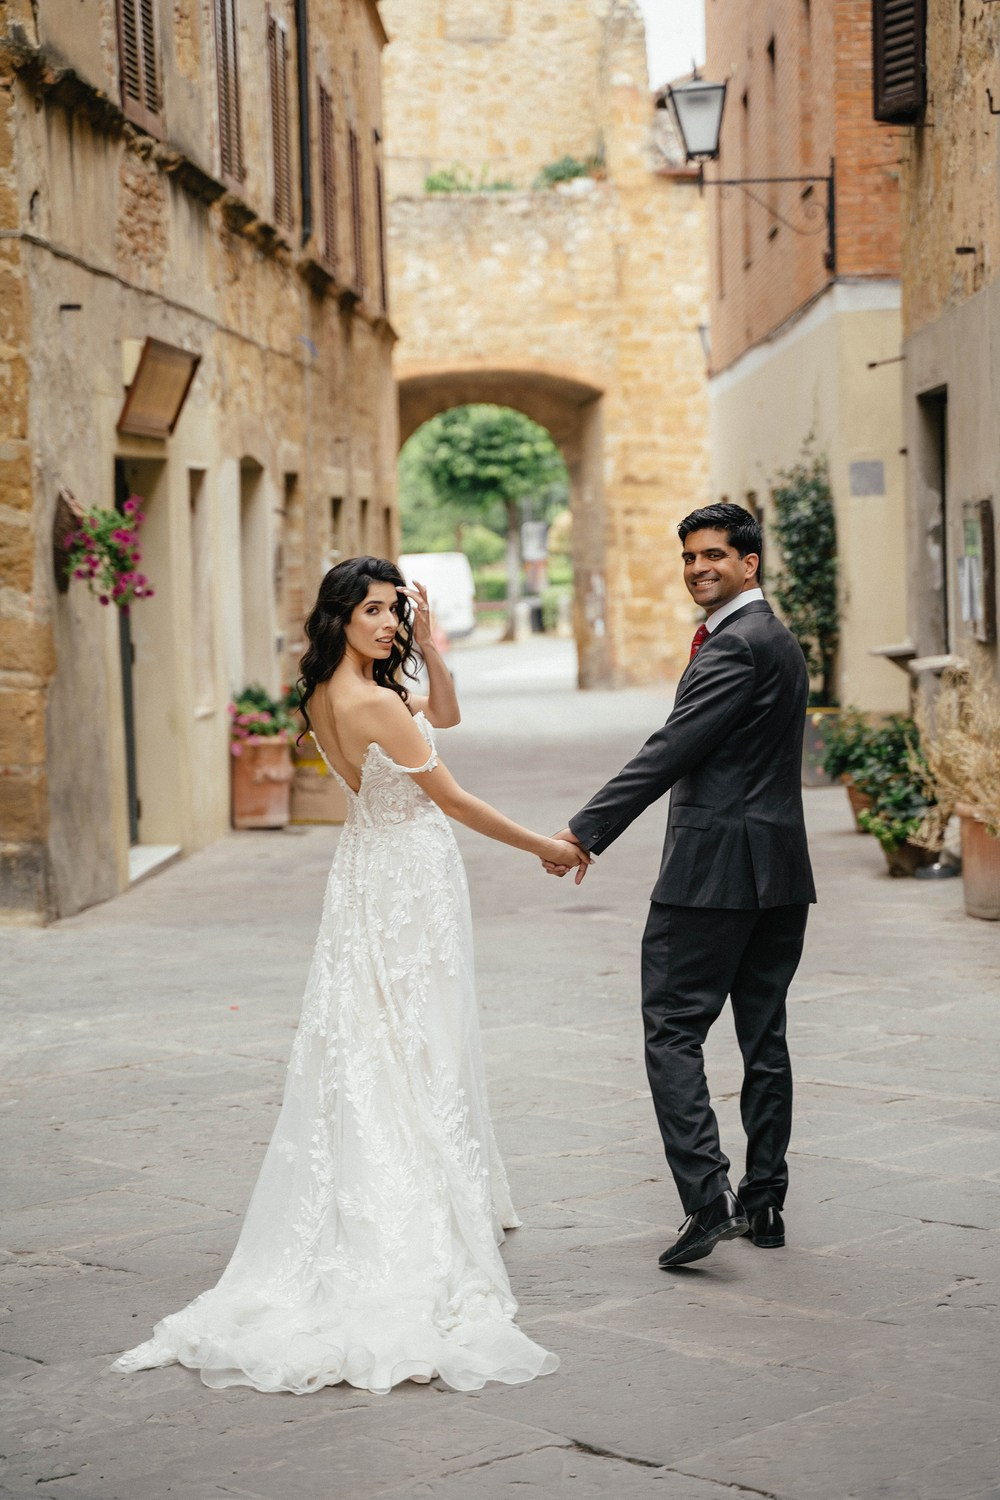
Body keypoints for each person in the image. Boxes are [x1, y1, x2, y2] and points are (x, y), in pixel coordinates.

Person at [113, 555, 587, 1395]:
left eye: (395, 612)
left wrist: (432, 646)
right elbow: (459, 801)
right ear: (338, 614)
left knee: (378, 1032)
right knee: (415, 1031)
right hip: (409, 878)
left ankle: (428, 1173)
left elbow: (446, 709)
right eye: (373, 610)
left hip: (368, 871)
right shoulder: (371, 701)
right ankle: (418, 1195)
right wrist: (548, 847)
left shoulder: (329, 697)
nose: (388, 625)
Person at [545, 504, 815, 1268]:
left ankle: (708, 1201)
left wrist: (583, 830)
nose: (699, 568)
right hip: (780, 870)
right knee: (763, 1035)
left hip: (713, 873)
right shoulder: (779, 640)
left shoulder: (736, 645)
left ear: (750, 563)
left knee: (671, 1028)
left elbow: (671, 749)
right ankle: (766, 1201)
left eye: (715, 556)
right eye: (690, 557)